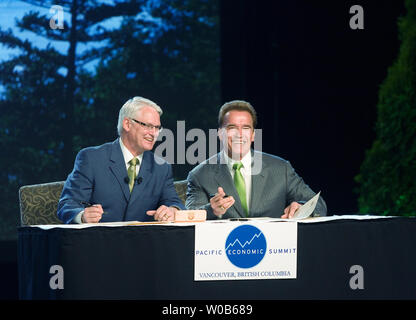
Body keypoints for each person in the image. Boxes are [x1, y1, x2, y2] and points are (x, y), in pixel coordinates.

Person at [185, 100, 327, 219]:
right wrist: (212, 210)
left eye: (246, 128)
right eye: (232, 127)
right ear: (220, 133)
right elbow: (189, 218)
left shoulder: (280, 168)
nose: (239, 135)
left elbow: (318, 204)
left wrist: (301, 207)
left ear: (253, 135)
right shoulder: (199, 175)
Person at [57, 96, 185, 224]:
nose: (154, 133)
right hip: (98, 239)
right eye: (148, 126)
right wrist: (83, 216)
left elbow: (174, 202)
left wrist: (172, 210)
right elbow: (68, 204)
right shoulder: (91, 158)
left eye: (157, 128)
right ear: (127, 124)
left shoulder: (161, 167)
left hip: (144, 241)